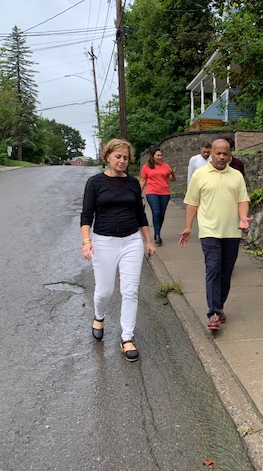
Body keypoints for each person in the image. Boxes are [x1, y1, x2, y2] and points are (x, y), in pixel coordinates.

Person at [81, 138, 155, 362]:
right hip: (103, 242)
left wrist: (148, 241)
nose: (122, 161)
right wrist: (86, 242)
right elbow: (86, 215)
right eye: (117, 157)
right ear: (107, 157)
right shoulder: (95, 183)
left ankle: (127, 338)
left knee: (130, 290)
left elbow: (140, 215)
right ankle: (99, 315)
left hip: (131, 241)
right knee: (105, 291)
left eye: (125, 157)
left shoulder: (133, 183)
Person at [179, 138, 253, 331]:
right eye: (218, 153)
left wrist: (243, 217)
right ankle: (213, 312)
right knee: (213, 268)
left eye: (225, 153)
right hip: (209, 230)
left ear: (230, 155)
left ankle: (219, 307)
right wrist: (188, 227)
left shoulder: (236, 175)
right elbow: (192, 202)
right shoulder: (200, 175)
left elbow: (242, 200)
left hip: (232, 231)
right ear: (210, 152)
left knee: (226, 272)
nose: (221, 156)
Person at [140, 148, 175, 246]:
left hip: (165, 193)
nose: (160, 157)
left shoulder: (165, 166)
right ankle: (157, 235)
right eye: (158, 155)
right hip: (152, 192)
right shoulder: (146, 167)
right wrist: (138, 194)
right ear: (152, 156)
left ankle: (157, 231)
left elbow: (172, 179)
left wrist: (172, 174)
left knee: (162, 214)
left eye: (161, 155)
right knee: (156, 212)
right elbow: (143, 181)